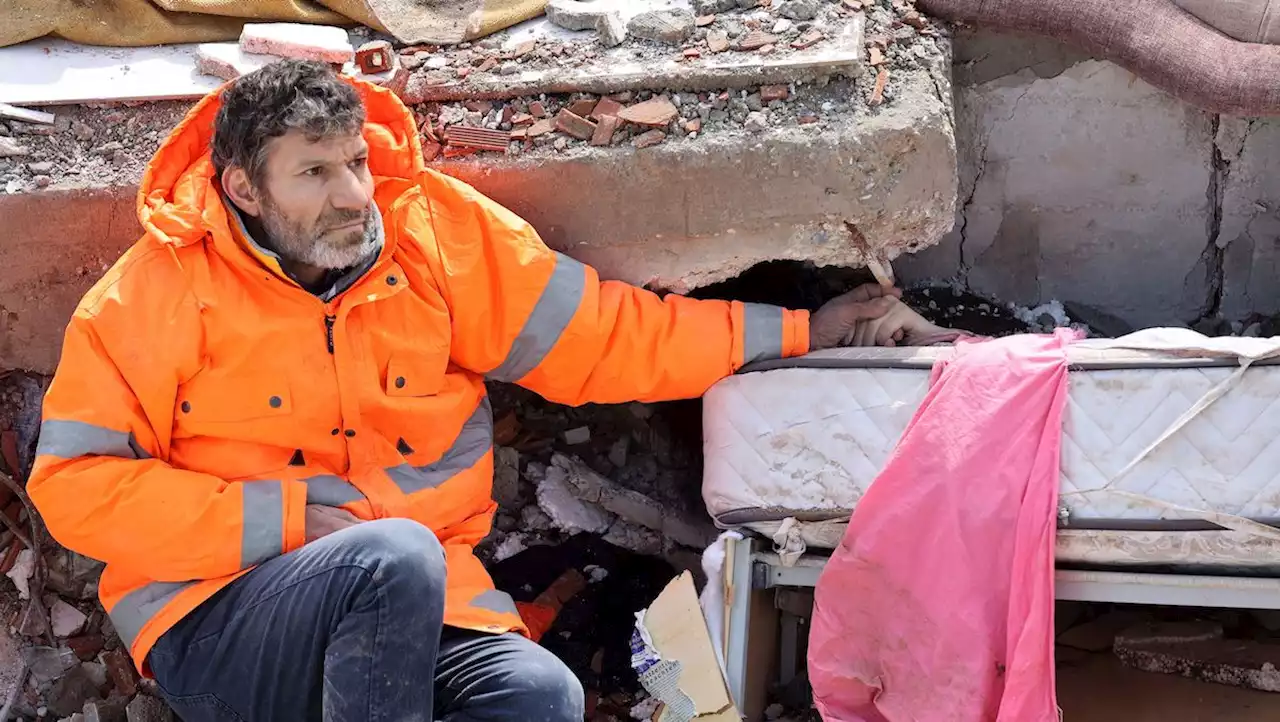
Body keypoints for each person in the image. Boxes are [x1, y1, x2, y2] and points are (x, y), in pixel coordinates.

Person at [28, 60, 945, 722]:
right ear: (243, 188)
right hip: (221, 624)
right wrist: (288, 522)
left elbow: (608, 337)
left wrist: (798, 332)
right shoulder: (150, 293)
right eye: (315, 173)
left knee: (540, 696)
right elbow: (72, 489)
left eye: (355, 162)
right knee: (393, 558)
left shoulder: (435, 237)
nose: (354, 194)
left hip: (420, 606)